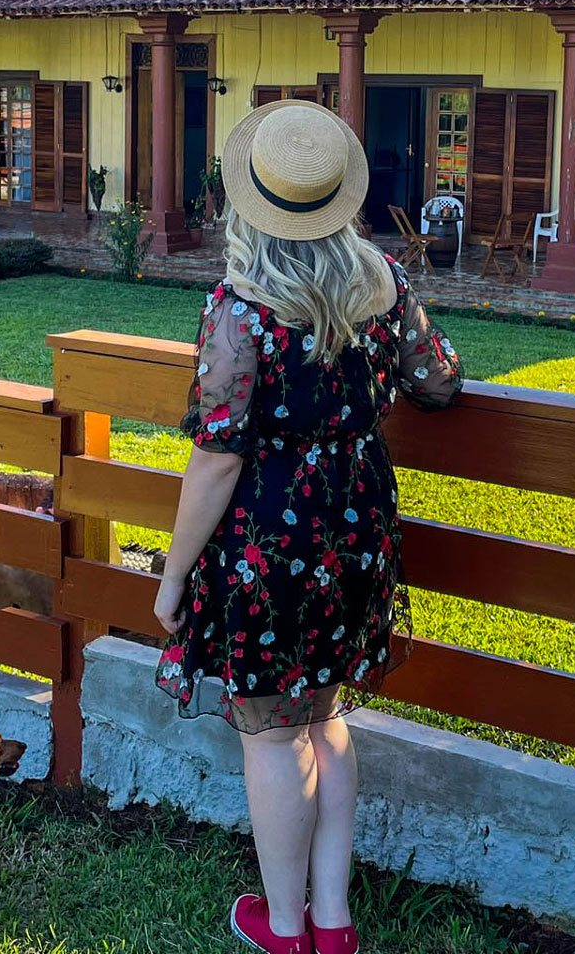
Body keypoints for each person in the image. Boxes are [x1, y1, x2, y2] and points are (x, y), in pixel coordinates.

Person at [152, 100, 463, 954]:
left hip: (269, 541)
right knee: (325, 717)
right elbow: (439, 381)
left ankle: (284, 930)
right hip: (356, 525)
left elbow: (217, 457)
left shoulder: (240, 308)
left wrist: (173, 578)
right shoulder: (384, 284)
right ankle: (333, 922)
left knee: (272, 731)